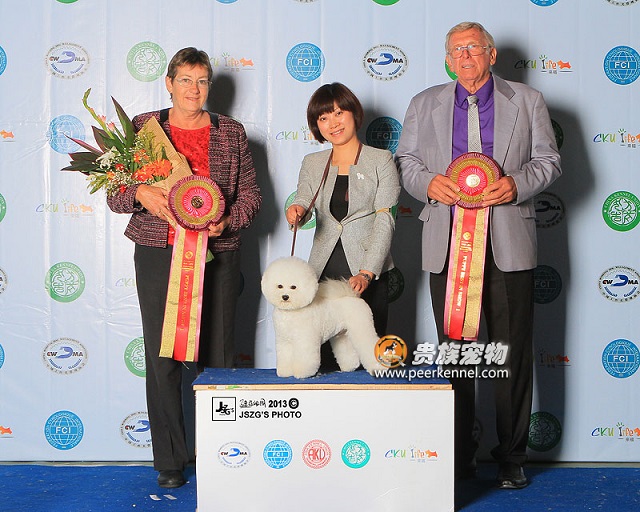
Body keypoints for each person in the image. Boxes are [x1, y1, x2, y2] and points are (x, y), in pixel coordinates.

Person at [396, 22, 561, 489]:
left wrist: (516, 185)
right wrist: (428, 183)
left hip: (508, 243)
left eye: (473, 47)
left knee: (511, 353)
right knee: (456, 355)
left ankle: (512, 457)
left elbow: (549, 160)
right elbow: (406, 161)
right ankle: (458, 455)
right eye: (456, 50)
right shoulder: (423, 103)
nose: (464, 56)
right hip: (448, 245)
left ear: (491, 54)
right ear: (448, 60)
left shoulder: (528, 100)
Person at [107, 47, 261, 488]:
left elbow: (251, 195)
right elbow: (115, 194)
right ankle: (170, 460)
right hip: (159, 252)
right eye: (186, 80)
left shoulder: (230, 132)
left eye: (202, 80)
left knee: (219, 357)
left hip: (219, 253)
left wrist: (227, 220)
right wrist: (140, 193)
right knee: (164, 356)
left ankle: (222, 452)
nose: (194, 89)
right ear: (169, 84)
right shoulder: (145, 128)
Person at [286, 82, 400, 372]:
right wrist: (297, 210)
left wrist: (367, 272)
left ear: (354, 113)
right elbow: (303, 198)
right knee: (321, 355)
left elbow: (385, 218)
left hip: (366, 270)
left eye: (338, 113)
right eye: (323, 118)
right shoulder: (313, 162)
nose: (333, 123)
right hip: (323, 270)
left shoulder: (381, 160)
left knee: (368, 357)